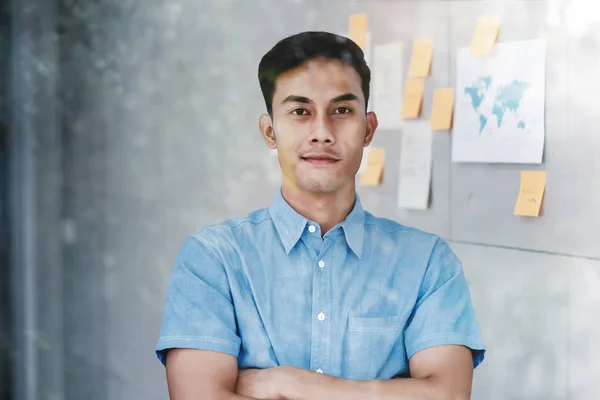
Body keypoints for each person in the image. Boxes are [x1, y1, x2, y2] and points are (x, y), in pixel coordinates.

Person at [156, 31, 485, 400]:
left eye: (342, 111)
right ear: (269, 131)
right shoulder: (214, 259)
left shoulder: (427, 263)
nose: (322, 133)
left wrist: (292, 383)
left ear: (368, 128)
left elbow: (448, 396)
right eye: (300, 112)